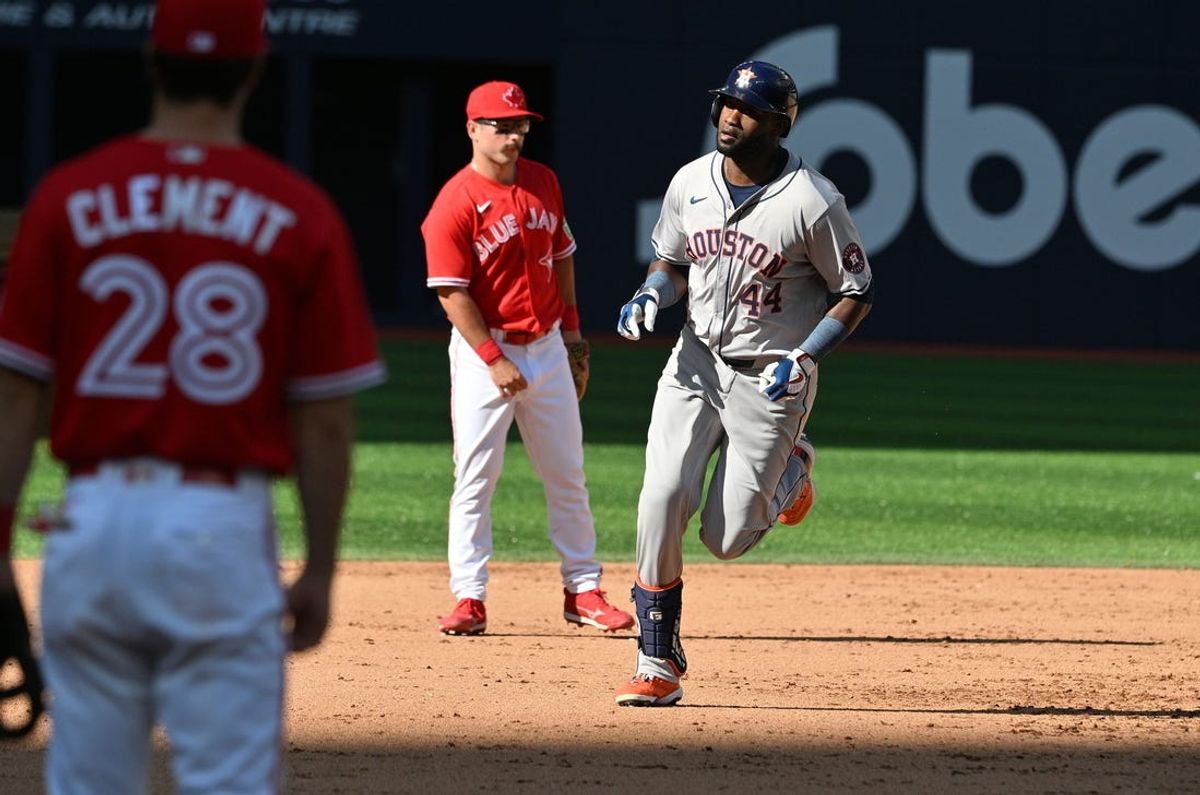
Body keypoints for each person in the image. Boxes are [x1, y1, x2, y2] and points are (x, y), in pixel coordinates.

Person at [0, 0, 386, 789]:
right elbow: (323, 423)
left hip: (90, 520)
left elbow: (14, 401)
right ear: (254, 70)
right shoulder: (298, 211)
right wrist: (319, 567)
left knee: (88, 779)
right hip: (218, 526)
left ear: (150, 61)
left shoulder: (68, 197)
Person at [612, 61, 874, 706]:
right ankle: (656, 659)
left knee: (725, 541)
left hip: (771, 377)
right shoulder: (690, 181)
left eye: (748, 108)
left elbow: (856, 290)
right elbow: (672, 262)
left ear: (780, 123)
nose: (731, 116)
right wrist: (651, 291)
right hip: (694, 361)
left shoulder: (813, 199)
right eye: (727, 103)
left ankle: (792, 468)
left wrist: (807, 356)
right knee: (661, 497)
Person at [421, 80, 633, 637]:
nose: (512, 135)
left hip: (546, 346)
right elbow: (451, 292)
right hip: (482, 352)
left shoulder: (543, 182)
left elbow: (562, 256)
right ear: (471, 128)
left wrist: (573, 335)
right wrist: (493, 358)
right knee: (476, 477)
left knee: (567, 473)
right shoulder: (455, 203)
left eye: (520, 126)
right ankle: (469, 598)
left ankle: (582, 590)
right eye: (500, 125)